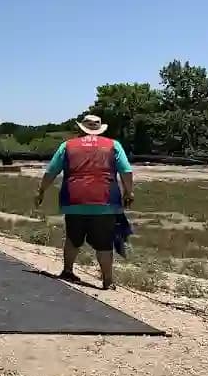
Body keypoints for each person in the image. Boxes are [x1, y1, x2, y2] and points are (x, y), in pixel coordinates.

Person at [34, 114, 134, 290]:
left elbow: (51, 172)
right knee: (104, 243)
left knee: (73, 237)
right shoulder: (113, 145)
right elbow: (126, 171)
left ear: (81, 129)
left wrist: (41, 190)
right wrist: (128, 192)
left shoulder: (67, 146)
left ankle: (67, 271)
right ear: (100, 129)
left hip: (74, 200)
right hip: (105, 202)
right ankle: (108, 281)